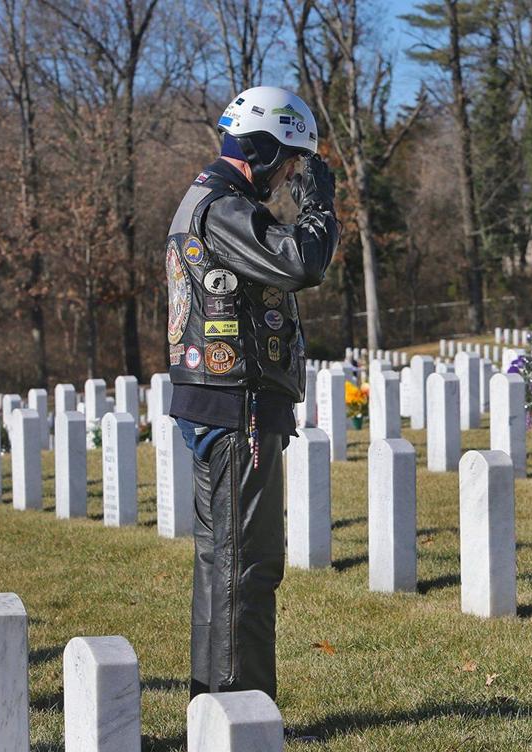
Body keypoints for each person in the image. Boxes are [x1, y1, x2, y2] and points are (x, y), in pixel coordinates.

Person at [165, 86, 339, 700]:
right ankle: (243, 718)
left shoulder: (214, 201)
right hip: (235, 407)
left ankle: (216, 707)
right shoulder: (223, 207)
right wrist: (321, 208)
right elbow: (300, 262)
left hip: (227, 402)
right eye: (290, 162)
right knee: (248, 568)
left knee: (224, 567)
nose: (291, 176)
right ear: (264, 151)